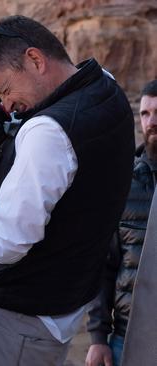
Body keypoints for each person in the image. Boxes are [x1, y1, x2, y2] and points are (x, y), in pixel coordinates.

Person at [0, 15, 136, 365]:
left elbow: (7, 244)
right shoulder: (105, 88)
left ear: (36, 60)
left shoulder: (48, 132)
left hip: (15, 326)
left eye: (5, 91)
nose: (5, 106)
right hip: (57, 312)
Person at [85, 79, 157, 366]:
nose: (152, 122)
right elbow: (103, 265)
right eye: (145, 114)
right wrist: (98, 338)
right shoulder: (122, 182)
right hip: (128, 337)